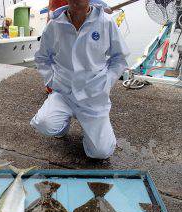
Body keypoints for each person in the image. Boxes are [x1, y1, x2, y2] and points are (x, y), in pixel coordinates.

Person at [31, 0, 129, 159]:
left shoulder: (106, 21)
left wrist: (106, 83)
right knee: (44, 124)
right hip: (64, 93)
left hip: (94, 96)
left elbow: (119, 58)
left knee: (101, 153)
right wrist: (52, 80)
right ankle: (63, 126)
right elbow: (42, 58)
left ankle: (92, 129)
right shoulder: (55, 24)